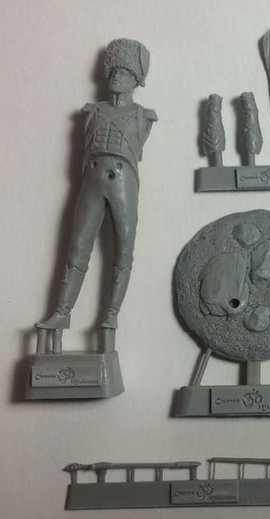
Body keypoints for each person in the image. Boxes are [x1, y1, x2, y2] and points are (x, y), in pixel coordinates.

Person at [37, 39, 157, 333]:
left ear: (137, 80)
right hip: (91, 182)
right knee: (77, 247)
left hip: (124, 183)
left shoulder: (143, 116)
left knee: (124, 249)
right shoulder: (92, 111)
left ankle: (111, 315)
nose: (117, 77)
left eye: (124, 72)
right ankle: (62, 312)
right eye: (113, 71)